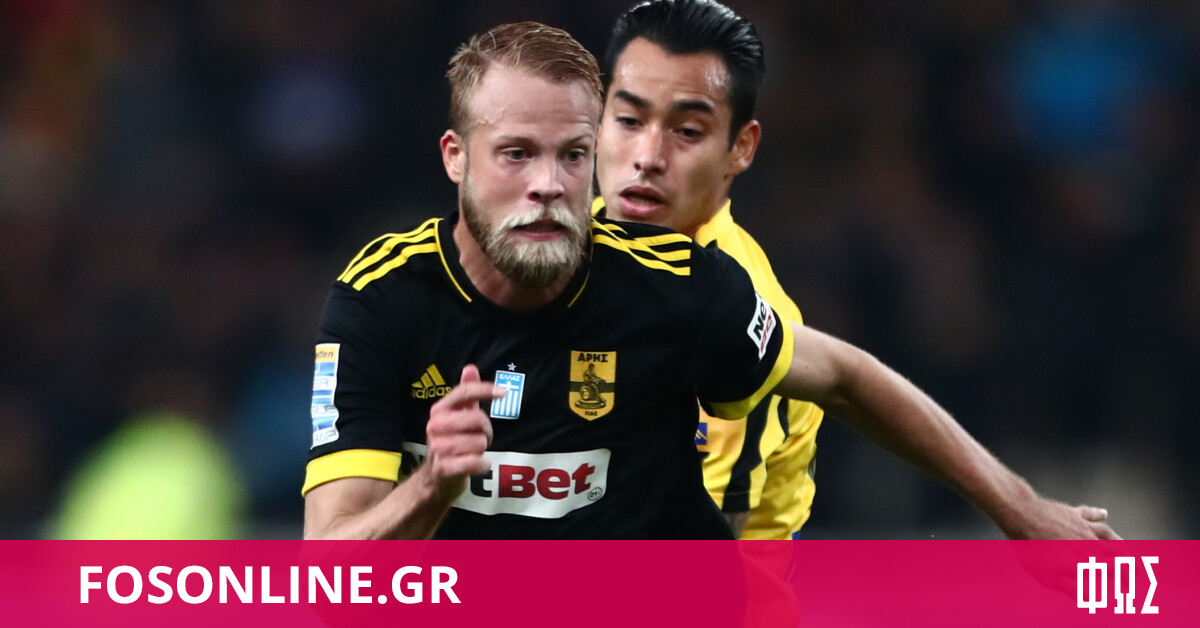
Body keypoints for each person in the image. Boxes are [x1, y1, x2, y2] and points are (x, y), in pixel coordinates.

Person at [301, 20, 1118, 541]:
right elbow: (330, 572)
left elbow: (846, 375)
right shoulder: (382, 299)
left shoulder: (677, 285)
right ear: (456, 159)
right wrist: (431, 488)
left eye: (572, 156)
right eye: (516, 154)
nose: (548, 184)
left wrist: (1020, 509)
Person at [593, 0, 1119, 540]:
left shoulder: (731, 318)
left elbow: (694, 562)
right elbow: (851, 375)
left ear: (740, 149)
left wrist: (1018, 507)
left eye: (687, 131)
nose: (647, 156)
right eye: (628, 120)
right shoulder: (561, 243)